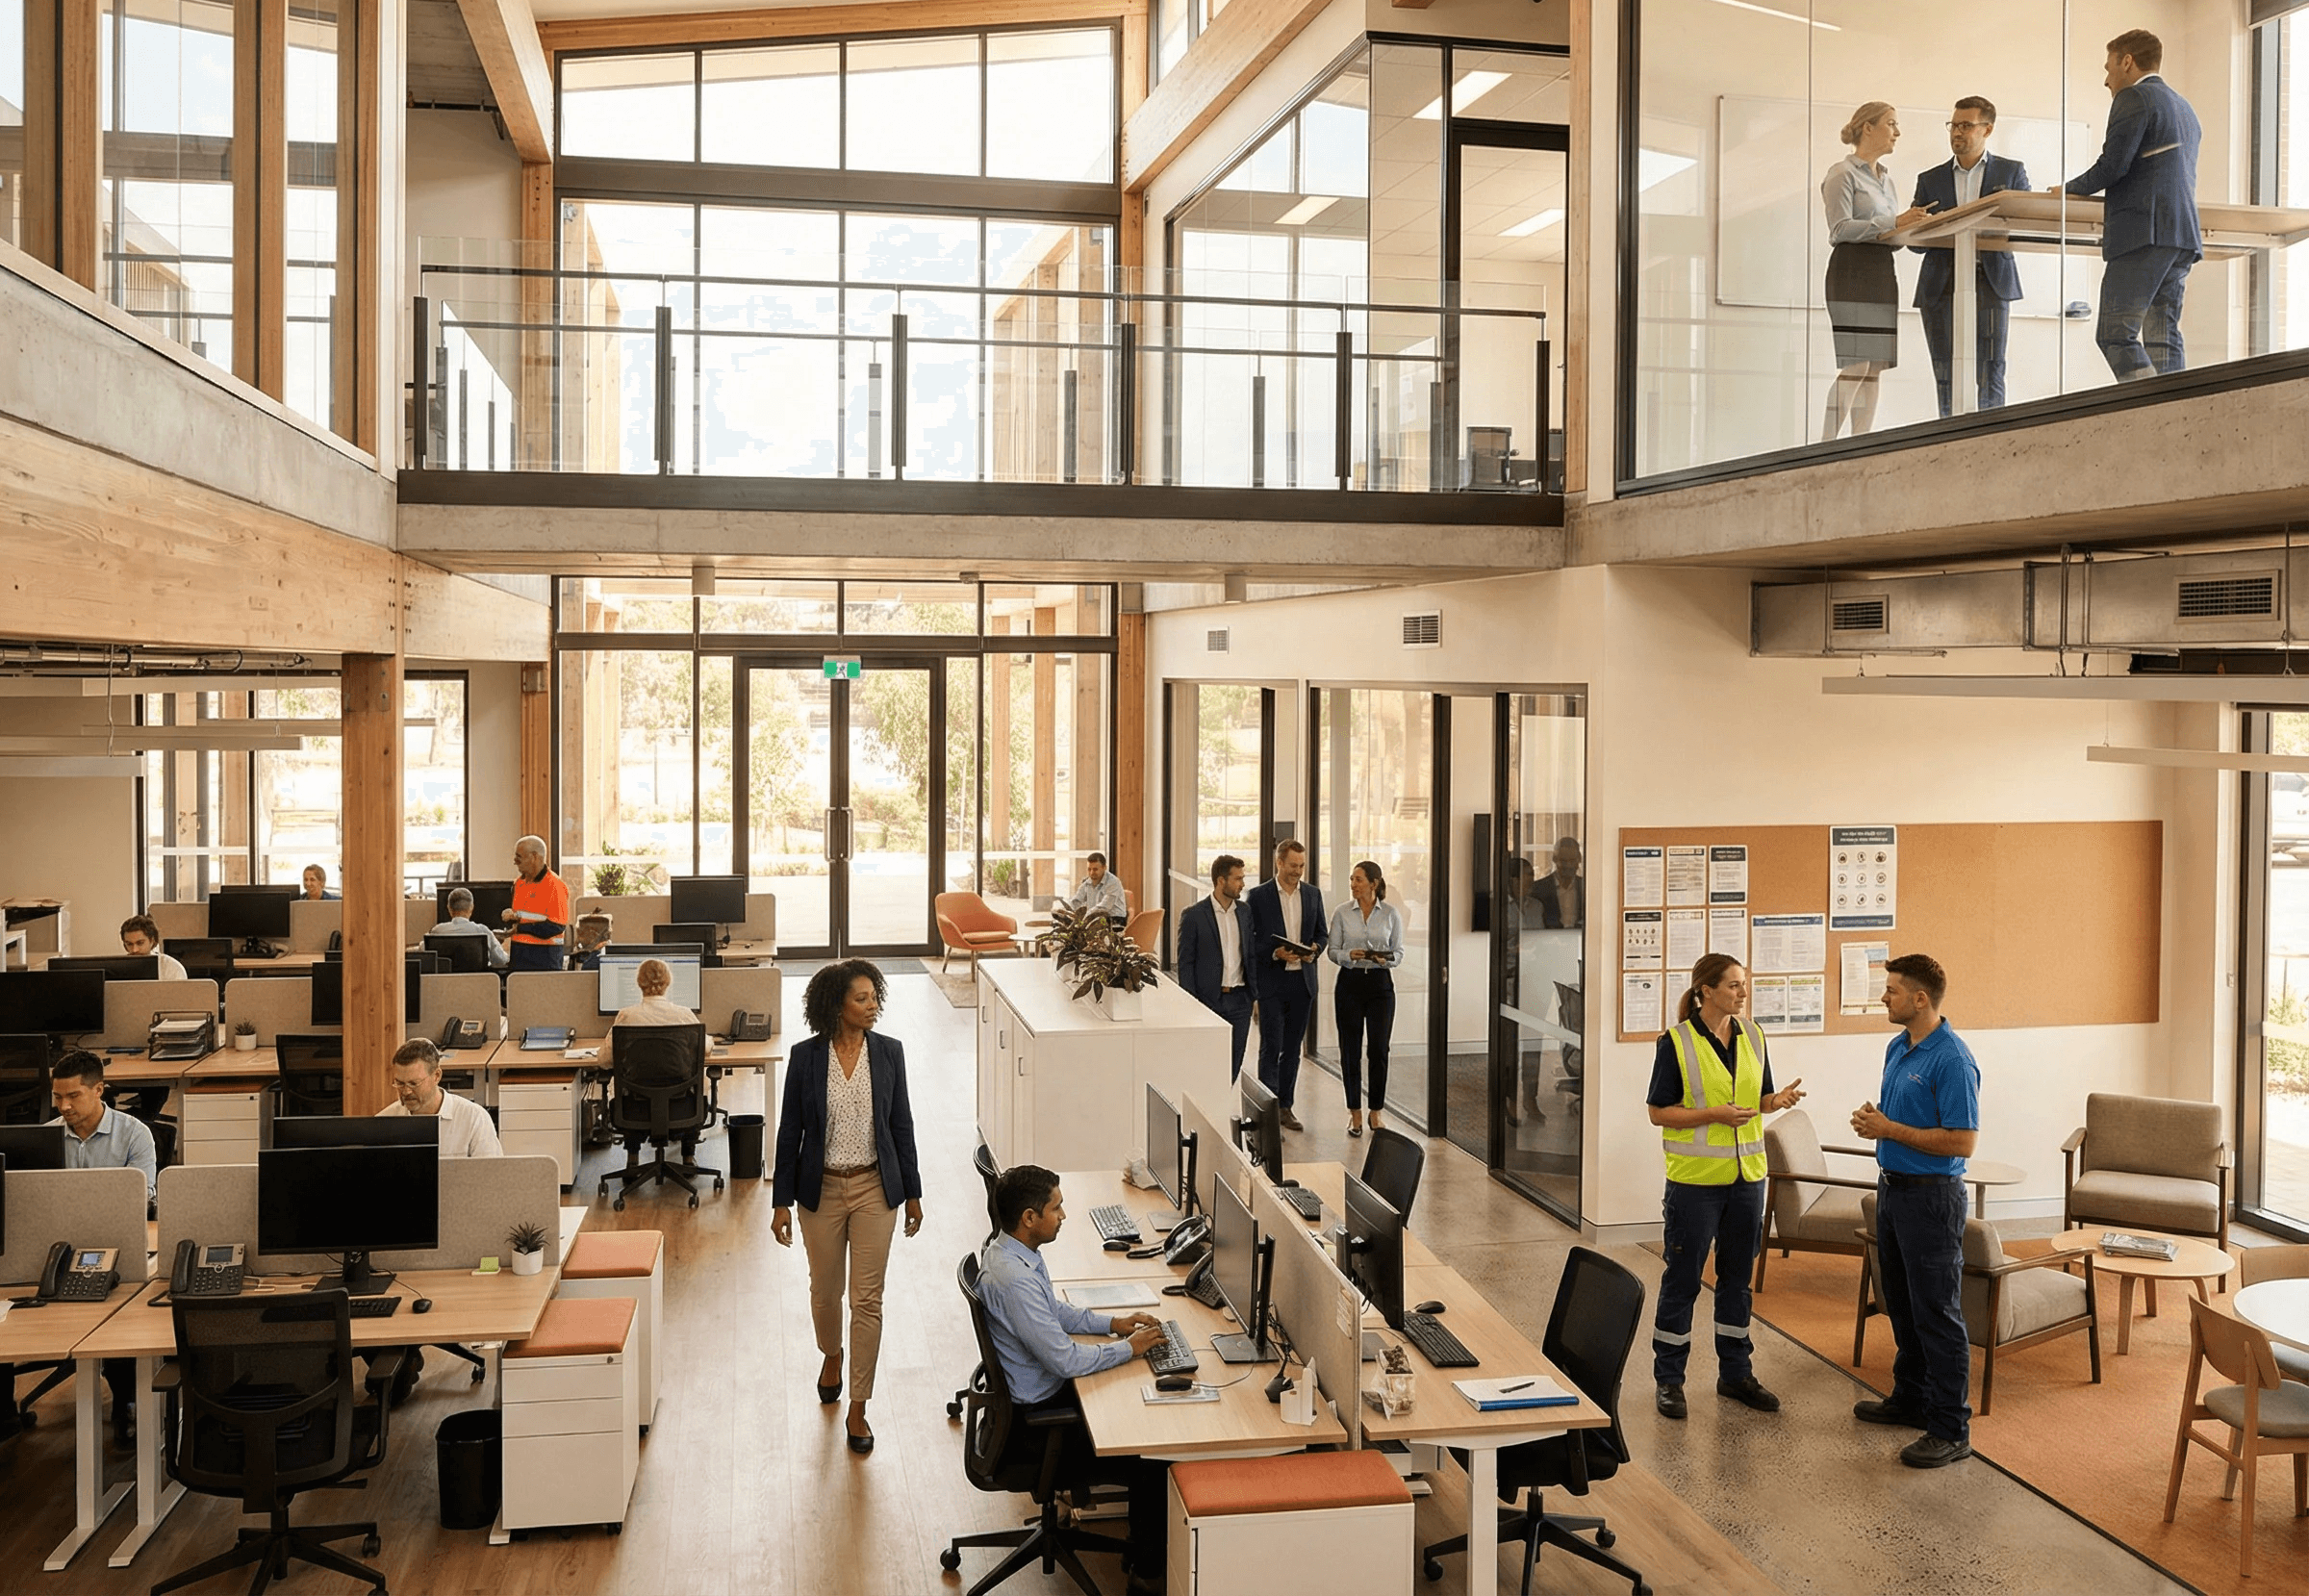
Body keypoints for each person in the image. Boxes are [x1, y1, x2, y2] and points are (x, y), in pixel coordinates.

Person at [976, 1164, 1171, 1596]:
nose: (1064, 1215)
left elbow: (1055, 1313)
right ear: (1029, 1218)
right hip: (1040, 1424)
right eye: (1056, 1208)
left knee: (1137, 1403)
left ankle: (1140, 1550)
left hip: (1037, 1400)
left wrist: (1114, 1324)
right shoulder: (1014, 1281)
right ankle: (1146, 1576)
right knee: (1155, 1458)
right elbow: (1064, 1360)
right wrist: (1131, 1350)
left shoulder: (1012, 1252)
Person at [771, 959, 924, 1458]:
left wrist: (914, 1192)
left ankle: (859, 1404)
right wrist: (781, 1202)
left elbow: (901, 1125)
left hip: (876, 1189)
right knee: (824, 1291)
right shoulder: (806, 1057)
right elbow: (790, 1131)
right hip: (822, 1191)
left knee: (868, 1300)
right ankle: (831, 1354)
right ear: (837, 1005)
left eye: (874, 996)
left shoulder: (890, 1053)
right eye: (862, 999)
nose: (872, 1005)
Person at [1646, 955, 1806, 1422]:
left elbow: (1757, 1100)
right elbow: (1659, 1112)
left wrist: (1776, 1102)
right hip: (1695, 1185)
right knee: (1682, 1281)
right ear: (1705, 991)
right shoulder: (1675, 1042)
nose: (1742, 993)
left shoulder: (1753, 1035)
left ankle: (1735, 1374)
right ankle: (1669, 1381)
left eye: (1744, 985)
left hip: (1747, 1180)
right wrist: (1712, 1115)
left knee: (1737, 1282)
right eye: (1734, 985)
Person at [1850, 952, 1980, 1469]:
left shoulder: (1952, 1059)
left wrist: (1889, 1131)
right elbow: (1899, 1122)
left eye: (1893, 991)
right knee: (1900, 1305)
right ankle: (1911, 1399)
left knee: (1937, 1313)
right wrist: (1875, 1122)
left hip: (1931, 1198)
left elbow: (1963, 1142)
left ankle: (1951, 1428)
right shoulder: (1898, 1047)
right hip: (1893, 1191)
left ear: (1920, 999)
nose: (1884, 997)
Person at [2057, 29, 2201, 382]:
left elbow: (2113, 165)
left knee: (2114, 335)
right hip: (2181, 236)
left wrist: (2065, 190)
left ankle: (2149, 414)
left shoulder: (2134, 97)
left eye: (2108, 68)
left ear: (2127, 61)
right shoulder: (2185, 107)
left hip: (2142, 233)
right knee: (2163, 340)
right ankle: (2175, 417)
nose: (2107, 80)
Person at [50, 1051, 155, 1446]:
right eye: (58, 1097)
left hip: (118, 1249)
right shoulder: (46, 1136)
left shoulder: (133, 1134)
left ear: (99, 1090)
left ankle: (125, 1400)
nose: (64, 1106)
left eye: (73, 1096)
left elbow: (142, 1198)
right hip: (55, 1252)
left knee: (126, 1314)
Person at [1909, 97, 2030, 415]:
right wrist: (1925, 226)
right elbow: (1914, 243)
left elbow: (2023, 227)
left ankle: (1991, 439)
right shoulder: (1929, 179)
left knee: (1991, 369)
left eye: (1966, 125)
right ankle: (1949, 439)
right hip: (1941, 285)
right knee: (1945, 372)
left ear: (1987, 129)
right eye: (1953, 125)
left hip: (1991, 281)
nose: (1957, 133)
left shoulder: (2011, 172)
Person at [1820, 102, 1933, 441]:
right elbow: (1839, 230)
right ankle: (1825, 445)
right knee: (1856, 364)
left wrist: (1912, 228)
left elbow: (1888, 234)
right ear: (1867, 128)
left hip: (1883, 269)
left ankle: (1861, 445)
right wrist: (1895, 222)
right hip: (1851, 270)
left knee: (1875, 368)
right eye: (1891, 124)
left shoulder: (1887, 180)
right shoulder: (1842, 173)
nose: (1896, 132)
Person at [1245, 839, 1325, 1131]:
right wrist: (1275, 952)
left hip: (1302, 983)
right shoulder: (1258, 896)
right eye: (1293, 865)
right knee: (1271, 1046)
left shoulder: (1314, 895)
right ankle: (1266, 1111)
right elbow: (1250, 941)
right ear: (1278, 862)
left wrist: (1315, 949)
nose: (1298, 871)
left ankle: (1285, 1107)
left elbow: (1322, 934)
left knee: (1292, 1049)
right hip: (1272, 983)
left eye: (1302, 866)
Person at [1328, 861, 1402, 1138]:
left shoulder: (1391, 914)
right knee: (1350, 1049)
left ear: (1374, 883)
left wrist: (1387, 960)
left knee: (1379, 1049)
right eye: (1351, 879)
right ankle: (1355, 1114)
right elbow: (1332, 951)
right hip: (1349, 983)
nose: (1353, 884)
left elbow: (1400, 951)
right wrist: (1349, 956)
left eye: (1359, 879)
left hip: (1380, 984)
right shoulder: (1342, 913)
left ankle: (1376, 1112)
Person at [1175, 854, 1253, 1079]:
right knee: (1206, 1063)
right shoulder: (1194, 915)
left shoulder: (1245, 912)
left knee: (1234, 1062)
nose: (1242, 884)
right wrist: (1192, 1003)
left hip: (1240, 1000)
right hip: (1209, 1000)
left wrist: (1252, 995)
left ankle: (1222, 1111)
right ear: (1221, 881)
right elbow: (1185, 963)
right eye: (1237, 879)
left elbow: (1250, 955)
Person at [379, 1037, 502, 1157]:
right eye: (400, 1083)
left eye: (414, 1083)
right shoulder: (383, 1122)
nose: (406, 1091)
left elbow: (491, 1174)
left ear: (436, 1076)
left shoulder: (474, 1118)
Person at [501, 835, 571, 972]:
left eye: (519, 857)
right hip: (519, 957)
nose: (515, 862)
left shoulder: (555, 886)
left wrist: (521, 928)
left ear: (534, 857)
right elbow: (522, 918)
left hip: (545, 959)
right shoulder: (518, 884)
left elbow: (556, 926)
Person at [426, 886, 509, 969]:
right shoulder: (482, 931)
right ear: (471, 907)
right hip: (477, 981)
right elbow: (500, 961)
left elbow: (425, 954)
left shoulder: (436, 931)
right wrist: (504, 948)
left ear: (449, 908)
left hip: (445, 981)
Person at [1066, 851, 1129, 923]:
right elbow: (1076, 901)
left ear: (1104, 867)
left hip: (1115, 920)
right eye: (1089, 869)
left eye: (1095, 869)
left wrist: (1086, 915)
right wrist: (1066, 911)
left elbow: (1104, 907)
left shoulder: (1113, 882)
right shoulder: (1087, 883)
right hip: (1096, 919)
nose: (1091, 873)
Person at [119, 915, 187, 980]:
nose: (134, 950)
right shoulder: (119, 969)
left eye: (140, 943)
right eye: (129, 944)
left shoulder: (172, 967)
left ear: (152, 941)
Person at [1539, 836, 1585, 929]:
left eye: (1572, 860)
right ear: (1554, 859)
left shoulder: (1587, 888)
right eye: (1563, 861)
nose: (1568, 865)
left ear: (1579, 859)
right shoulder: (1539, 889)